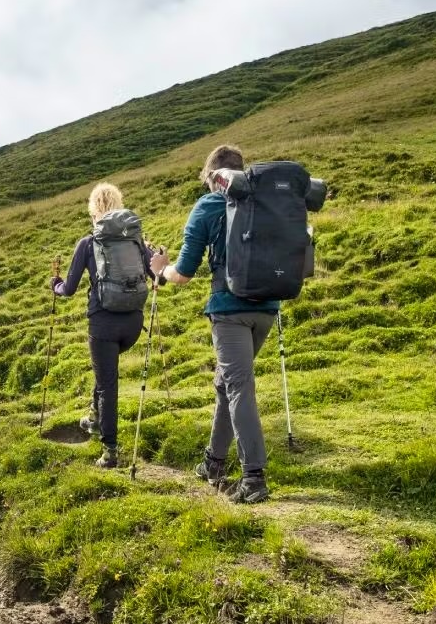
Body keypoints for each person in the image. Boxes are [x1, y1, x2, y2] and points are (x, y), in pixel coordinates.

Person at [149, 144, 278, 505]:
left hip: (230, 310)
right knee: (226, 384)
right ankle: (213, 461)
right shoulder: (263, 202)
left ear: (212, 177)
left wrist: (161, 269)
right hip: (267, 307)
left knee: (237, 386)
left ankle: (254, 478)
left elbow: (184, 273)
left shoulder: (208, 205)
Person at [51, 181, 150, 469]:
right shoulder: (136, 240)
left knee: (107, 384)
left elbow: (69, 289)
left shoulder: (87, 243)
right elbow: (157, 276)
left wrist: (55, 285)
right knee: (104, 371)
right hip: (133, 323)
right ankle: (94, 418)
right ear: (119, 206)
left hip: (103, 325)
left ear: (93, 210)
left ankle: (110, 452)